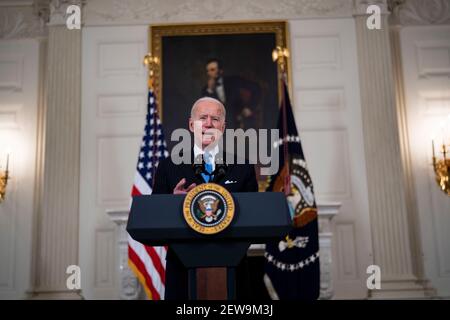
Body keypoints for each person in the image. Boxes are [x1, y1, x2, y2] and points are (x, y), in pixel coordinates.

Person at [152, 97, 258, 300]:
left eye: (215, 119)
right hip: (183, 270)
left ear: (223, 127)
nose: (209, 123)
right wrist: (172, 203)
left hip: (233, 270)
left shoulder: (242, 167)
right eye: (203, 118)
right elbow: (154, 219)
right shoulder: (169, 166)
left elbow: (254, 219)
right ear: (192, 125)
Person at [201, 58, 261, 130]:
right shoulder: (206, 90)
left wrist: (250, 108)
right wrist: (210, 90)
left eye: (212, 70)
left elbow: (256, 88)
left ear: (221, 71)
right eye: (208, 71)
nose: (209, 73)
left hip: (239, 123)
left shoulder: (234, 81)